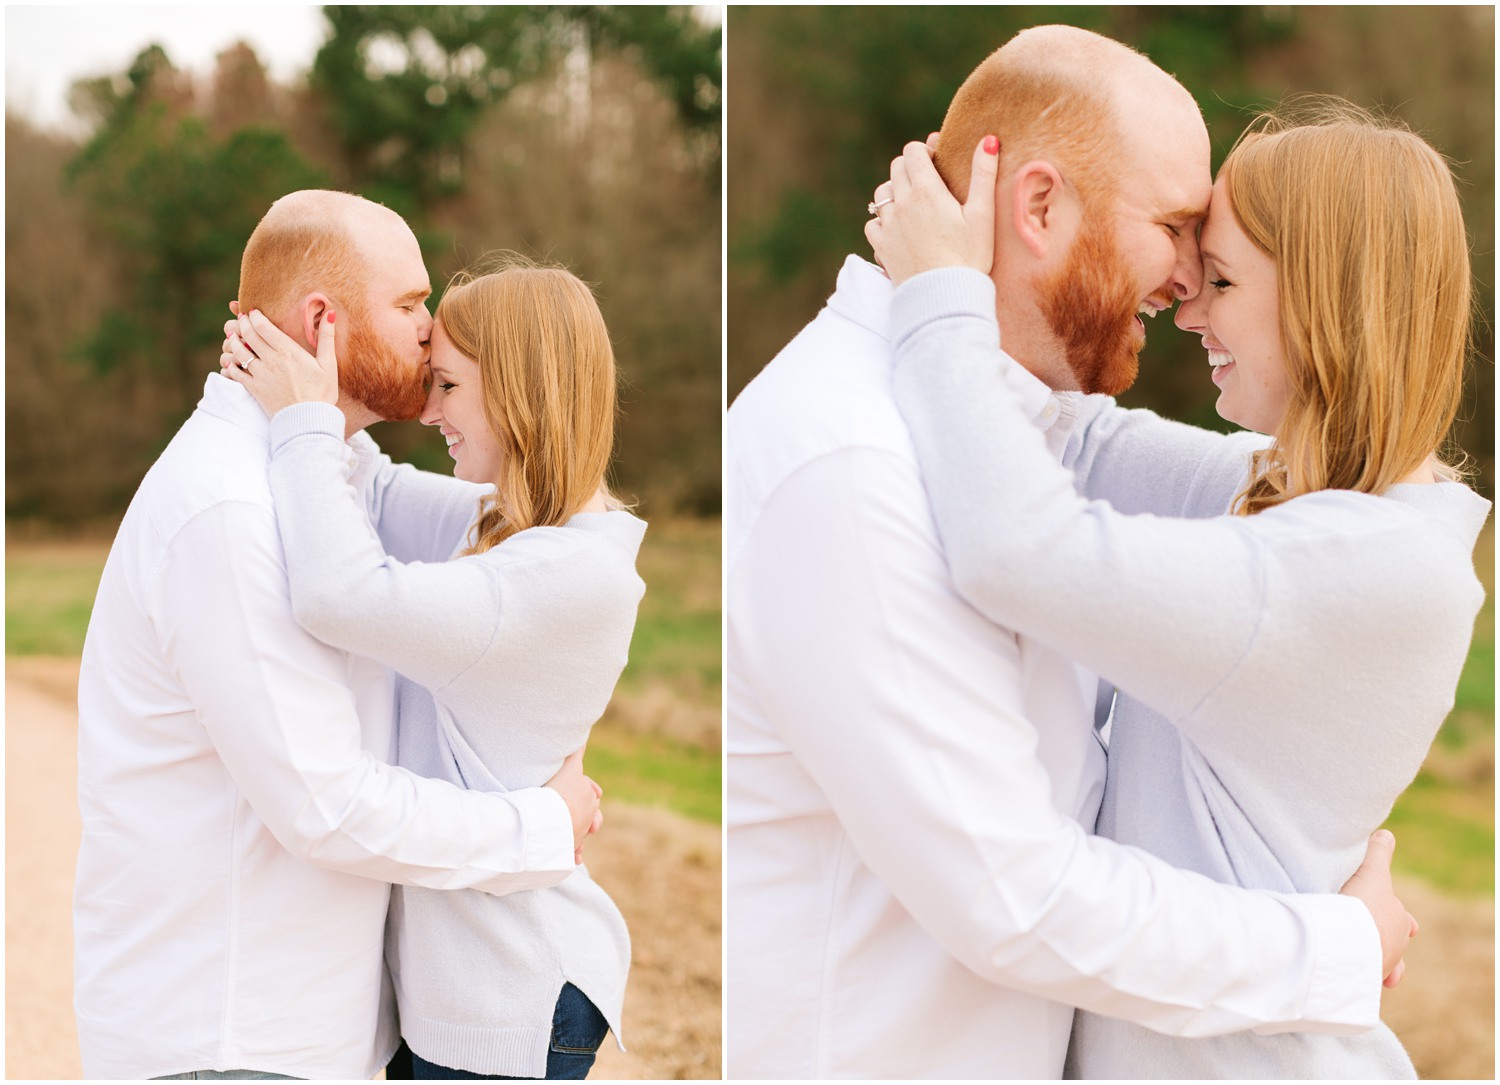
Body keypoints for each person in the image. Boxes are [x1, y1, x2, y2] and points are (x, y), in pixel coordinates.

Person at [725, 26, 1417, 1080]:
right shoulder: (851, 460)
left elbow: (1293, 489)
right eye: (1178, 226)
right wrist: (1336, 947)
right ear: (1038, 206)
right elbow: (1014, 896)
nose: (1190, 280)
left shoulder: (1000, 428)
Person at [865, 95, 1487, 1076]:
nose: (1187, 304)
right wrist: (1014, 256)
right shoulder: (1291, 497)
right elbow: (1078, 443)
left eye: (1222, 277)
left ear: (1327, 299)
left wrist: (938, 291)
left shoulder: (1366, 569)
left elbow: (1016, 548)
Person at [73, 192, 602, 1081]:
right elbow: (325, 803)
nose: (432, 334)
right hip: (229, 1039)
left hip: (302, 1033)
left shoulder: (327, 468)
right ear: (322, 320)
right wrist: (537, 828)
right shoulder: (227, 509)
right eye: (409, 306)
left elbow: (511, 531)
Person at [218, 255, 645, 1080]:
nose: (427, 408)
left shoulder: (559, 577)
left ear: (517, 385)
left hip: (508, 985)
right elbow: (366, 493)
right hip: (475, 982)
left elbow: (339, 592)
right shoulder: (509, 527)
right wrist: (322, 368)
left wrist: (305, 420)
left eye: (445, 385)